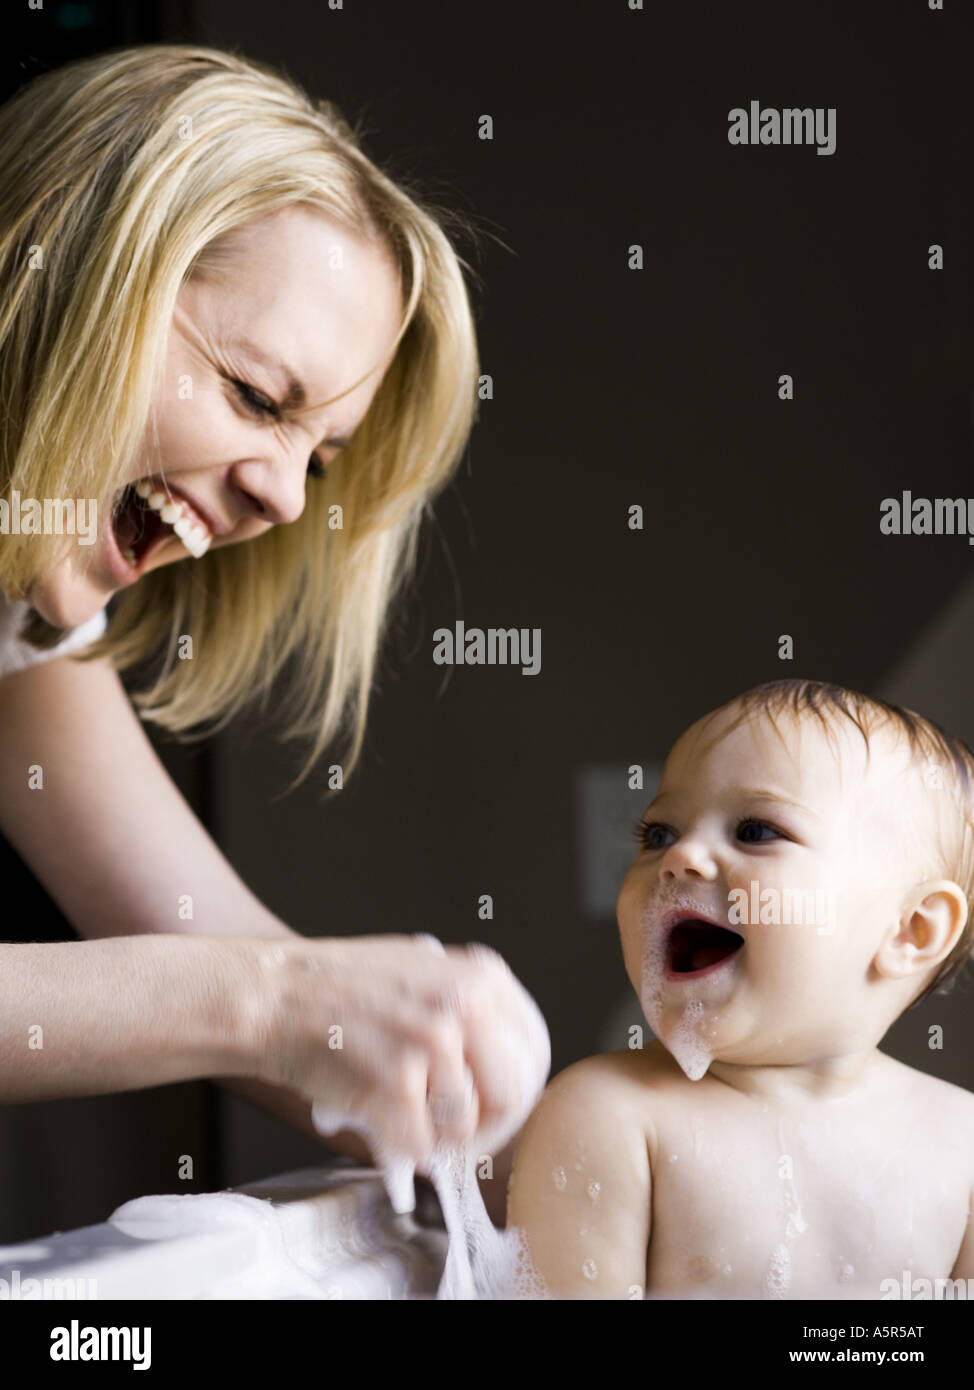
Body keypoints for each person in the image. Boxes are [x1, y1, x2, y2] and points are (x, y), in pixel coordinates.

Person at [0, 43, 548, 1224]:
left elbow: (232, 955)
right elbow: (262, 996)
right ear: (61, 270)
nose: (288, 501)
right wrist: (266, 1000)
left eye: (321, 455)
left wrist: (635, 1153)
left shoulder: (23, 635)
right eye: (257, 397)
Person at [508, 678, 974, 1296]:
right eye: (658, 834)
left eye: (755, 831)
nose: (682, 858)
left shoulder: (960, 1144)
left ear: (910, 930)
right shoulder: (607, 1115)